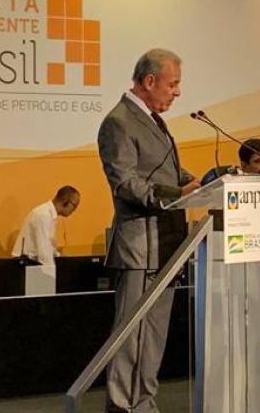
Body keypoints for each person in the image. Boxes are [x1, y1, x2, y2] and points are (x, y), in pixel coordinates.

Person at [98, 48, 199, 413]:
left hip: (166, 243)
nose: (177, 92)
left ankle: (143, 403)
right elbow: (125, 182)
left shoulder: (153, 121)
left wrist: (201, 183)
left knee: (153, 337)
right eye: (173, 84)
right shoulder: (119, 121)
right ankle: (122, 406)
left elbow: (168, 173)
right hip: (141, 246)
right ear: (150, 80)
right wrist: (177, 193)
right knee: (132, 334)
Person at [11, 186, 80, 265]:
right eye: (75, 205)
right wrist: (53, 271)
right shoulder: (43, 215)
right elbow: (44, 254)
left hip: (31, 263)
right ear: (65, 201)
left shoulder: (49, 215)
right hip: (24, 265)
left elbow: (49, 248)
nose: (74, 210)